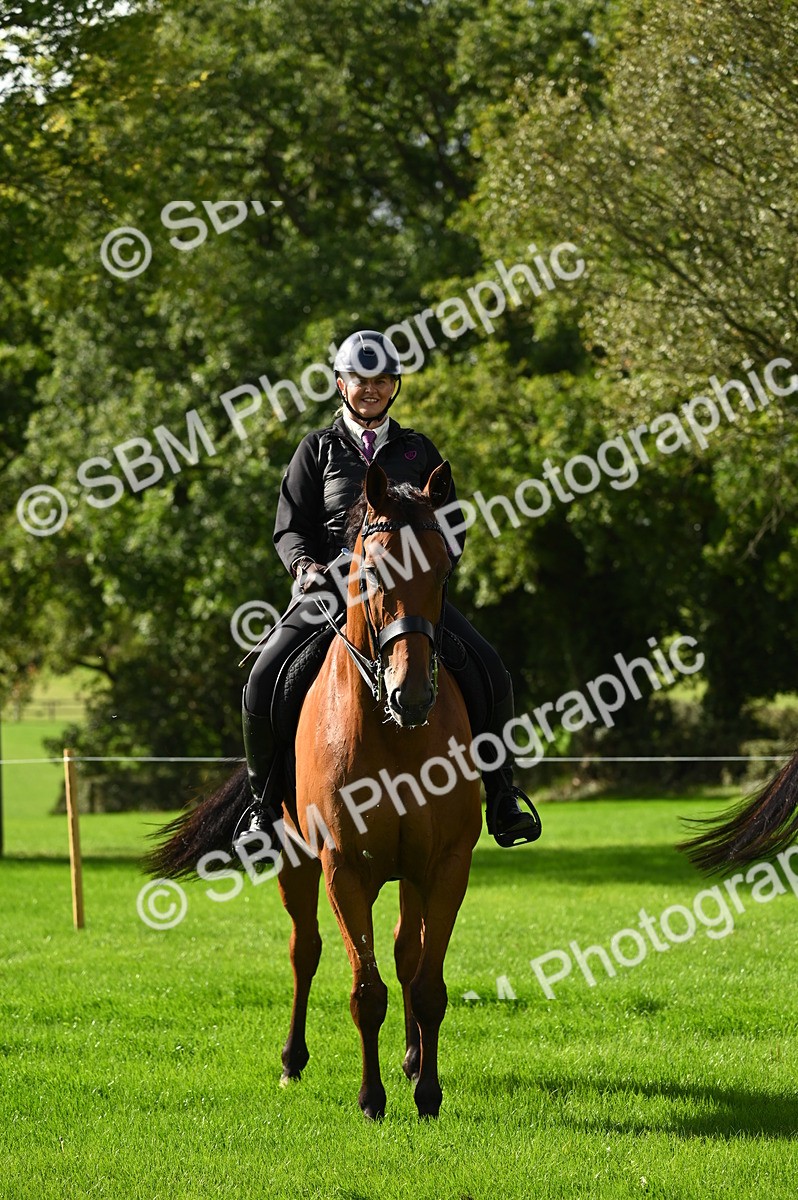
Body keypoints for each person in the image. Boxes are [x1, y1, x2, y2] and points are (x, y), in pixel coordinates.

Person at [240, 329, 541, 848]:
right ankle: (262, 807)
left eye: (382, 380)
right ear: (341, 384)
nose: (371, 390)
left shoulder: (418, 449)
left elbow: (451, 519)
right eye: (361, 380)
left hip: (407, 594)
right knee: (265, 676)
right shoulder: (316, 450)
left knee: (492, 671)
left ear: (395, 387)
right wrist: (303, 566)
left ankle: (502, 794)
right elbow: (289, 527)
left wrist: (444, 556)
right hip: (332, 593)